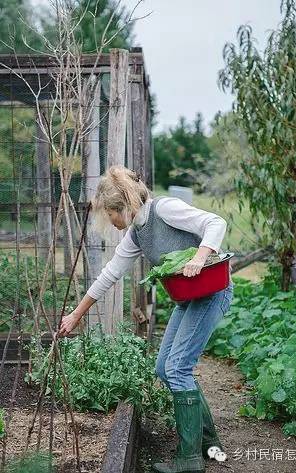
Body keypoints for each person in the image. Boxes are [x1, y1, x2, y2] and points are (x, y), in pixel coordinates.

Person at [57, 164, 234, 473]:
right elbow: (110, 273)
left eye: (109, 215)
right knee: (165, 368)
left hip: (212, 292)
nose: (110, 222)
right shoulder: (138, 233)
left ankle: (189, 459)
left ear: (120, 206)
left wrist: (198, 257)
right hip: (189, 299)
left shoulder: (164, 209)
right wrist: (76, 314)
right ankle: (209, 442)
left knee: (178, 368)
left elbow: (216, 222)